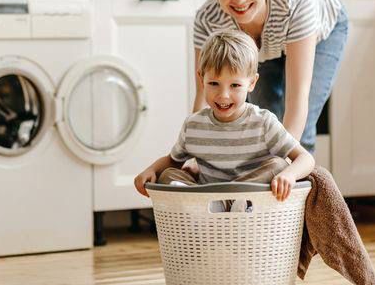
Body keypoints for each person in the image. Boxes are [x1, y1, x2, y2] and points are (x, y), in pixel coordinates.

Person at [193, 0, 349, 154]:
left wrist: (283, 162)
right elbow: (203, 95)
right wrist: (195, 152)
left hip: (323, 30)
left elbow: (297, 100)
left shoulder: (297, 2)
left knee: (299, 133)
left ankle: (301, 175)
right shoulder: (208, 20)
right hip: (266, 47)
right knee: (263, 123)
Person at [133, 30, 315, 207]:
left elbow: (305, 158)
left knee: (279, 165)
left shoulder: (264, 122)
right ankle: (211, 205)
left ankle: (230, 203)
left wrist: (289, 175)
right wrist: (151, 170)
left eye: (235, 85)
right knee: (168, 175)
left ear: (252, 83)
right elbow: (173, 161)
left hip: (249, 202)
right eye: (214, 83)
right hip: (208, 198)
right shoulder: (193, 125)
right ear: (201, 79)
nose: (223, 95)